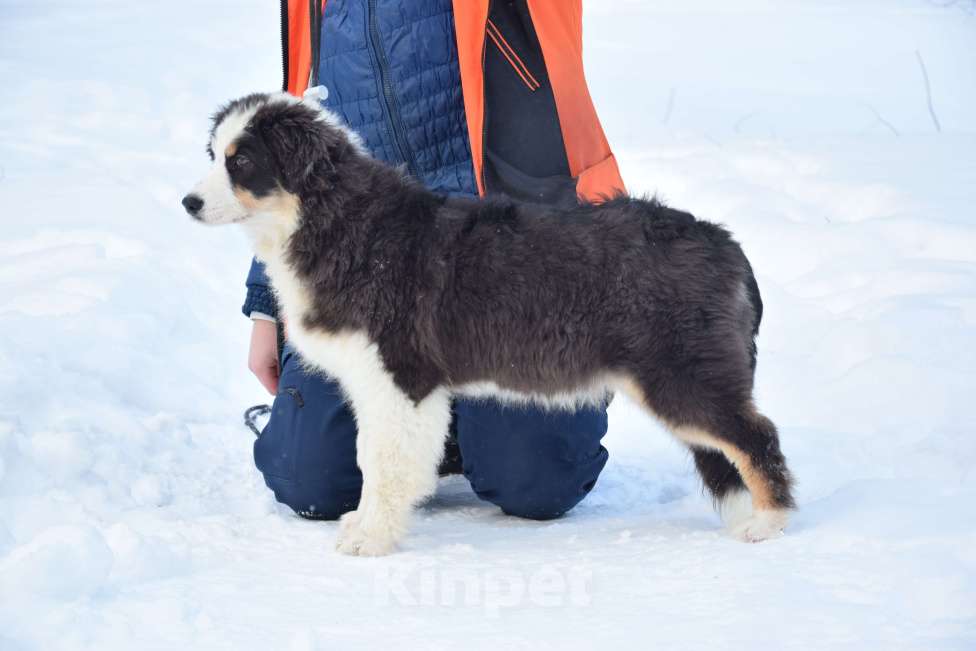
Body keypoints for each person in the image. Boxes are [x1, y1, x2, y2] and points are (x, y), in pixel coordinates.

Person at [246, 0, 626, 521]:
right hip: (374, 278)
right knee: (307, 479)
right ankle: (449, 424)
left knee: (537, 480)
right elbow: (299, 149)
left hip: (507, 264)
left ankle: (495, 417)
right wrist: (267, 304)